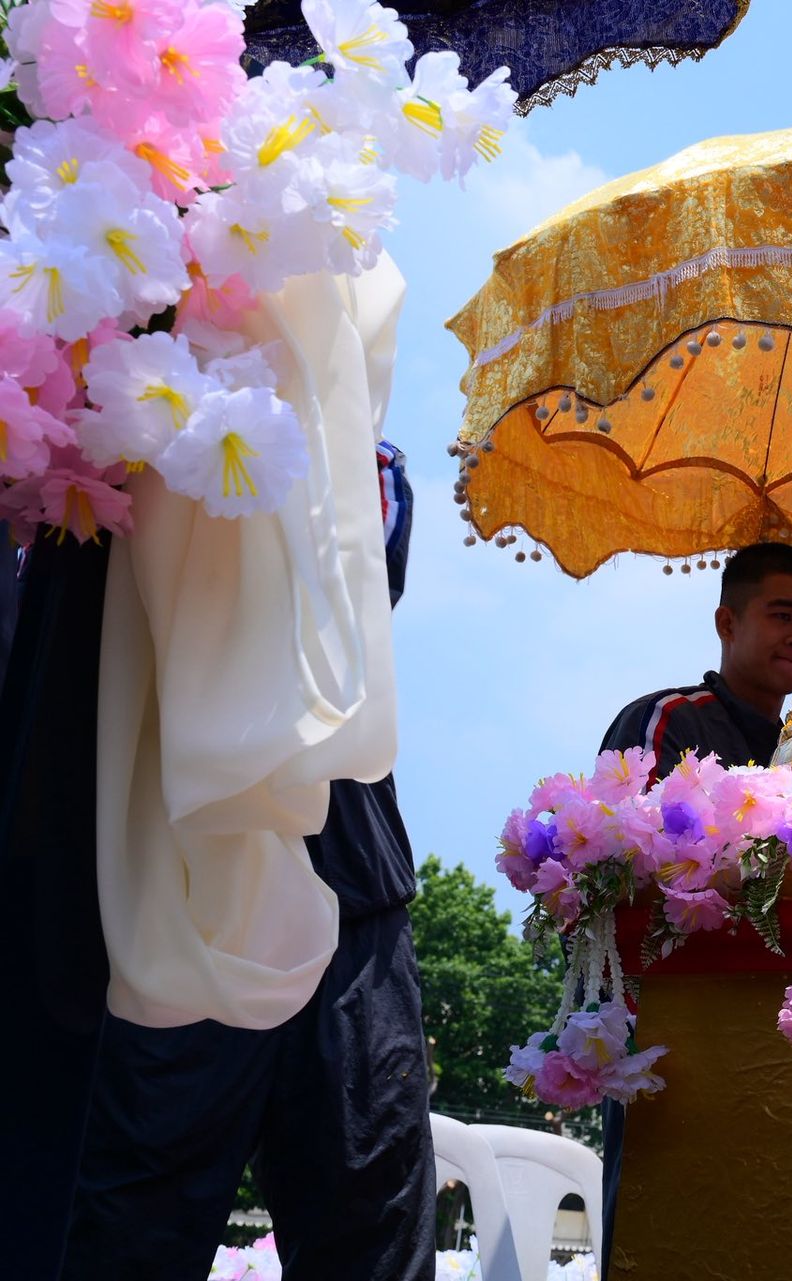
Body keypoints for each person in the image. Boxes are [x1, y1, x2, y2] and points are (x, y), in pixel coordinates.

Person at [63, 443, 436, 1281]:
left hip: (348, 891)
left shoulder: (348, 449)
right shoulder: (85, 431)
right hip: (172, 886)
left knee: (370, 1218)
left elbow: (355, 577)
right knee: (127, 1226)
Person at [596, 541, 792, 1268]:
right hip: (673, 1032)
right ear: (726, 622)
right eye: (782, 615)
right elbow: (627, 868)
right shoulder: (668, 721)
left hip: (780, 1036)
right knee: (660, 1237)